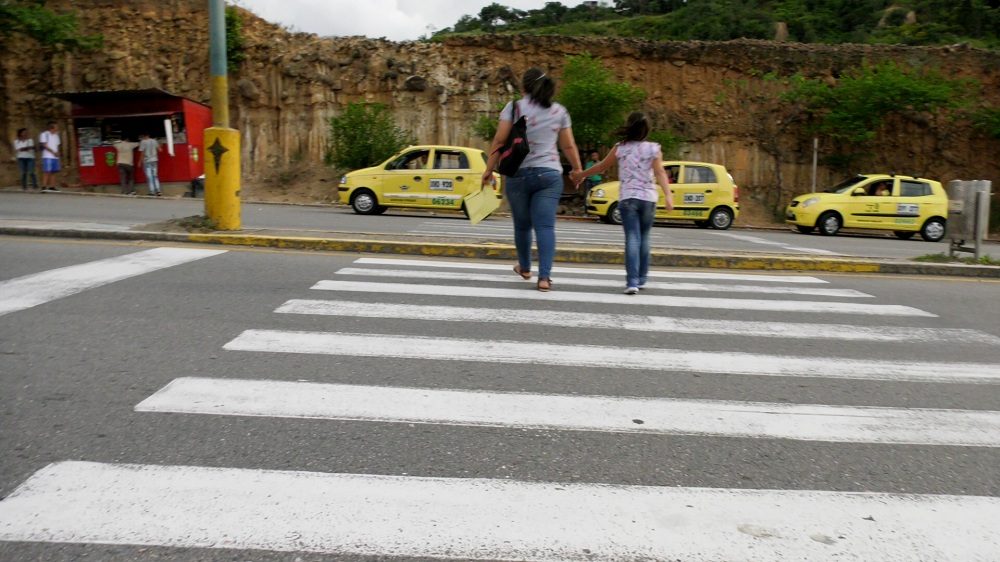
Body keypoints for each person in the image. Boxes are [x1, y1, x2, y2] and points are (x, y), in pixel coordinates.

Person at [482, 68, 583, 292]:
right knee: (545, 226)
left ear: (523, 87)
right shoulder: (559, 111)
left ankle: (526, 268)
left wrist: (489, 170)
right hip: (549, 174)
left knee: (522, 225)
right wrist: (577, 170)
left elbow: (499, 141)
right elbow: (567, 145)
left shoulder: (514, 107)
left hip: (518, 174)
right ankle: (544, 278)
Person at [572, 112, 672, 294]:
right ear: (646, 130)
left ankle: (632, 282)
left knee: (632, 238)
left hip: (628, 199)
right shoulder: (653, 149)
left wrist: (580, 175)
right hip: (648, 199)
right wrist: (668, 196)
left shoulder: (621, 148)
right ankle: (642, 279)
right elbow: (660, 173)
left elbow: (601, 166)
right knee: (644, 238)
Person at [138, 132, 162, 196]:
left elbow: (142, 153)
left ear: (144, 136)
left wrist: (140, 162)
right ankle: (158, 191)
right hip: (154, 160)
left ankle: (152, 191)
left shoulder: (143, 142)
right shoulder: (154, 141)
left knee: (150, 177)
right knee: (155, 176)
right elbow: (160, 150)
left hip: (147, 161)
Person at [39, 122, 60, 192]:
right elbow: (44, 145)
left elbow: (57, 145)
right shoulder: (45, 134)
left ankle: (52, 186)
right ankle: (44, 186)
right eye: (56, 127)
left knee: (54, 171)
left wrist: (57, 153)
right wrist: (53, 152)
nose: (57, 128)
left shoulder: (56, 135)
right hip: (48, 156)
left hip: (55, 156)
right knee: (47, 171)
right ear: (51, 128)